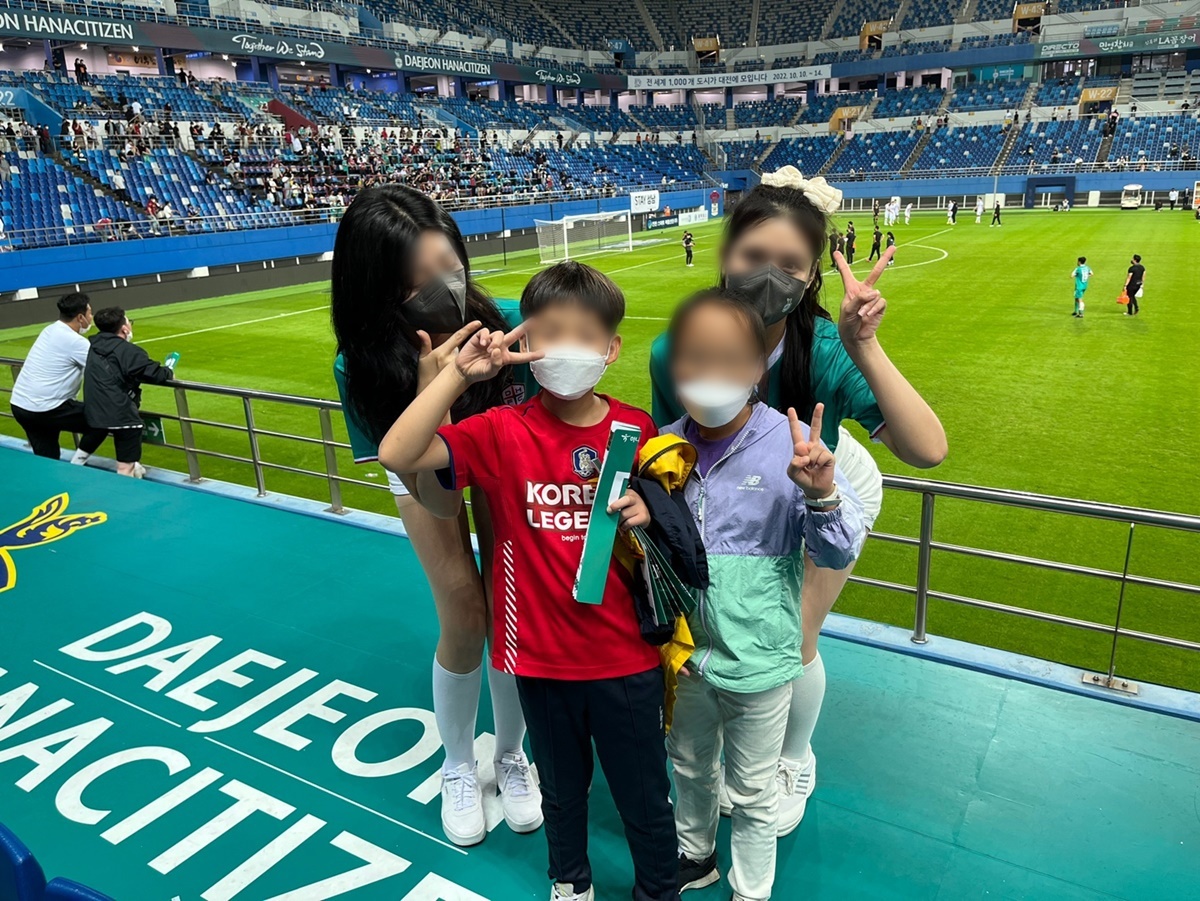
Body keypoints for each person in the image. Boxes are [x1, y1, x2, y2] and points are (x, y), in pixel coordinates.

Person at [649, 166, 945, 835]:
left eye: (790, 264)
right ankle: (725, 752)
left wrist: (865, 345)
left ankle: (792, 758)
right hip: (738, 489)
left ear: (811, 277)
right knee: (719, 626)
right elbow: (678, 450)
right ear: (726, 256)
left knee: (792, 634)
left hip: (823, 488)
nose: (768, 274)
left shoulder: (826, 349)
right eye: (754, 255)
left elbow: (927, 448)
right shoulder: (676, 351)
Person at [379, 261, 678, 901]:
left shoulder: (636, 430)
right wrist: (456, 377)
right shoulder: (499, 431)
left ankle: (659, 889)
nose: (567, 349)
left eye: (584, 336)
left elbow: (665, 526)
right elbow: (398, 454)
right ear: (524, 342)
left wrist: (650, 510)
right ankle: (569, 883)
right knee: (560, 794)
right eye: (550, 334)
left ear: (611, 349)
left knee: (646, 796)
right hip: (542, 662)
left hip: (627, 658)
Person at [330, 185, 541, 848]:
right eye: (416, 279)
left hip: (504, 455)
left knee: (511, 603)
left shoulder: (511, 321)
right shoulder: (362, 365)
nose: (441, 286)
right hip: (422, 466)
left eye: (447, 264)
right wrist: (439, 388)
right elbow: (440, 499)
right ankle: (457, 763)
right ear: (379, 289)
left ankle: (511, 753)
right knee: (464, 609)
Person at [663, 289, 865, 901]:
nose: (710, 372)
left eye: (729, 357)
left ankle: (751, 889)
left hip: (761, 662)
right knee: (689, 767)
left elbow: (839, 550)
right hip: (687, 657)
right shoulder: (660, 447)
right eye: (695, 357)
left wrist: (822, 495)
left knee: (752, 789)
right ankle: (695, 856)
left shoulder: (791, 444)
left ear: (757, 366)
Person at [9, 293, 107, 463]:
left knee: (47, 458)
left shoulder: (50, 330)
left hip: (21, 405)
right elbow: (105, 369)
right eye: (90, 313)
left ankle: (51, 475)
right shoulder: (75, 342)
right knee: (103, 419)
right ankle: (77, 464)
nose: (91, 317)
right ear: (80, 317)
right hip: (46, 407)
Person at [83, 307, 176, 477]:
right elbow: (154, 373)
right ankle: (124, 489)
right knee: (125, 468)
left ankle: (74, 467)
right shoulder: (129, 351)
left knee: (92, 442)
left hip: (95, 409)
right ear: (124, 329)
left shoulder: (93, 346)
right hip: (121, 414)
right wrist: (168, 371)